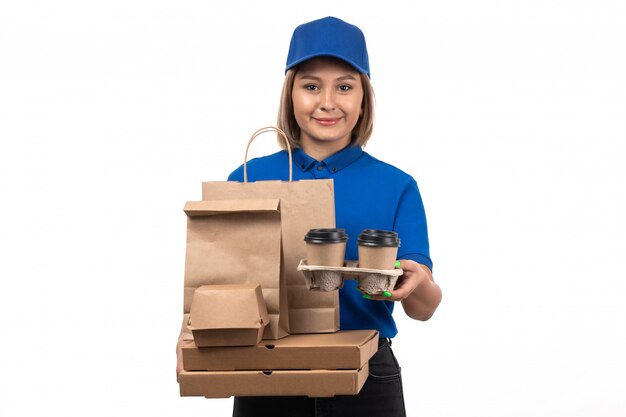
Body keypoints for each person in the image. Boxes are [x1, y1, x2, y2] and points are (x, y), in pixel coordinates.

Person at [224, 16, 443, 417]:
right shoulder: (248, 178)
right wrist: (188, 338)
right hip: (268, 371)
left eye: (344, 86)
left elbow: (424, 308)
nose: (327, 101)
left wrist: (419, 283)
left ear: (364, 99)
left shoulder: (396, 185)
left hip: (367, 378)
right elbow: (217, 282)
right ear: (290, 94)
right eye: (311, 86)